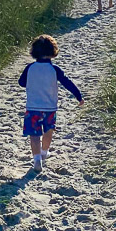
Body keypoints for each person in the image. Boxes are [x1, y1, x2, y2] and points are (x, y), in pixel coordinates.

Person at [18, 34, 83, 172]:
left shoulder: (30, 68)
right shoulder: (55, 69)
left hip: (33, 107)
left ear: (34, 52)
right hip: (49, 108)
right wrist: (79, 96)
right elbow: (68, 83)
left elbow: (21, 83)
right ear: (53, 52)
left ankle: (36, 160)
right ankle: (44, 153)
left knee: (34, 134)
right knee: (48, 131)